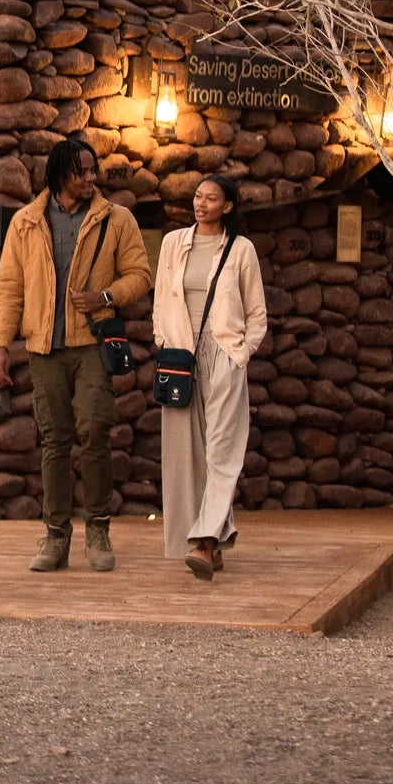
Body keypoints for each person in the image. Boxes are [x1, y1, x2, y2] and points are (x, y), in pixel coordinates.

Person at [0, 139, 152, 573]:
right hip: (45, 348)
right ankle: (55, 538)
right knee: (55, 442)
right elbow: (9, 288)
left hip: (92, 346)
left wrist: (105, 295)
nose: (91, 178)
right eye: (83, 171)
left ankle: (97, 529)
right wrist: (1, 345)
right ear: (61, 173)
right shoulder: (26, 223)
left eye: (94, 170)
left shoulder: (116, 220)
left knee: (95, 433)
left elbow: (140, 275)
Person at [153, 174, 268, 580]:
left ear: (228, 207)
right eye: (198, 196)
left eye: (211, 198)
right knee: (186, 454)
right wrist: (163, 341)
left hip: (223, 354)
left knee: (222, 450)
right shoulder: (172, 244)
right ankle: (214, 537)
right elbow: (161, 300)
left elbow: (257, 314)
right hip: (181, 356)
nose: (201, 204)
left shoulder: (241, 250)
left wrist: (241, 353)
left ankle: (203, 542)